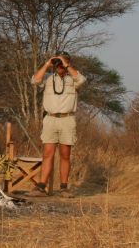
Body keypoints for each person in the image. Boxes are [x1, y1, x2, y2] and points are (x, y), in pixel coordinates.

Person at [27, 52, 86, 198]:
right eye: (57, 64)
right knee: (47, 154)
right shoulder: (48, 78)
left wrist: (66, 64)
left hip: (67, 119)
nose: (59, 66)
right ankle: (41, 186)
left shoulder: (73, 79)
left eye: (62, 63)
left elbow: (82, 79)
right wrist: (47, 64)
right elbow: (34, 80)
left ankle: (64, 188)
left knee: (65, 154)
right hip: (50, 119)